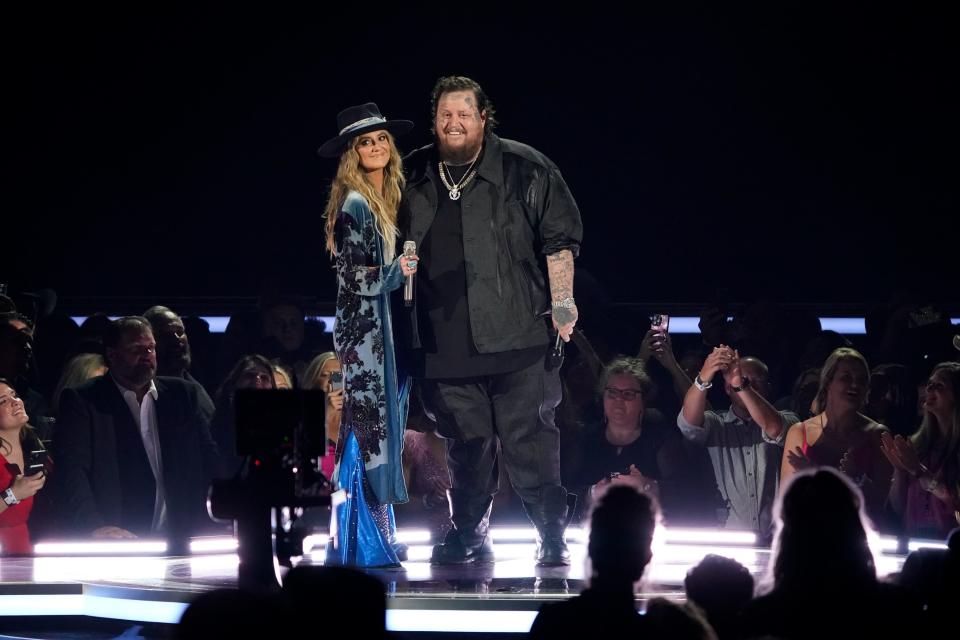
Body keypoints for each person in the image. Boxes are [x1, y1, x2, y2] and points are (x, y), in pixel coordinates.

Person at [399, 76, 583, 566]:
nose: (453, 122)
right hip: (444, 342)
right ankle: (470, 532)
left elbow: (559, 239)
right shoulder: (413, 171)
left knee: (531, 441)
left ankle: (550, 534)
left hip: (519, 334)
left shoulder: (527, 167)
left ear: (484, 118)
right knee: (466, 445)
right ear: (434, 120)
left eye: (464, 113)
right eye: (444, 114)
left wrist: (563, 302)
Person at [318, 102, 418, 567]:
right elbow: (352, 278)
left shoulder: (388, 197)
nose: (376, 146)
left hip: (389, 334)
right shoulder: (355, 204)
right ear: (352, 154)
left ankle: (377, 535)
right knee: (366, 433)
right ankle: (363, 542)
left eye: (380, 138)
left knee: (382, 434)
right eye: (365, 141)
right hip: (365, 340)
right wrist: (398, 271)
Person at [53, 317, 220, 545]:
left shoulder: (182, 395)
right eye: (136, 349)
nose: (147, 355)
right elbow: (72, 470)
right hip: (119, 535)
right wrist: (92, 526)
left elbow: (209, 460)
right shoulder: (84, 400)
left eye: (150, 348)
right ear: (112, 354)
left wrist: (220, 515)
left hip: (183, 532)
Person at [678, 347, 794, 539]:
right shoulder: (717, 424)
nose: (749, 386)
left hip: (778, 539)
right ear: (726, 388)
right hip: (728, 539)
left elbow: (774, 428)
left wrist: (741, 385)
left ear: (769, 387)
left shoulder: (789, 419)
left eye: (757, 382)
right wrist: (704, 376)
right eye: (742, 380)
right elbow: (688, 423)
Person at [780, 348, 894, 529]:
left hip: (856, 540)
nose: (855, 385)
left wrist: (855, 477)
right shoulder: (800, 432)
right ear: (827, 382)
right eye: (846, 377)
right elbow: (785, 505)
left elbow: (882, 503)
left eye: (861, 380)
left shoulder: (877, 435)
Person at [882, 362, 960, 539]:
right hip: (915, 547)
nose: (929, 388)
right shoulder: (916, 446)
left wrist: (920, 472)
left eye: (939, 385)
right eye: (929, 383)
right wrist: (900, 469)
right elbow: (898, 508)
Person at [0, 378, 47, 554]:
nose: (15, 402)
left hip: (31, 554)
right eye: (3, 401)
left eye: (14, 395)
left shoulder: (34, 446)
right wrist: (12, 495)